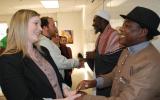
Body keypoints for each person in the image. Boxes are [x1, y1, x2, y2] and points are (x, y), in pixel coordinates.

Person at [76, 6, 160, 100]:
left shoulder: (151, 64)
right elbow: (115, 74)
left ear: (142, 32)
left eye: (127, 26)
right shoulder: (126, 51)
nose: (121, 29)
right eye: (123, 25)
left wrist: (84, 98)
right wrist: (94, 82)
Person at [0, 9, 81, 100]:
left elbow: (56, 76)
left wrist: (65, 90)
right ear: (21, 26)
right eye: (36, 23)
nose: (40, 29)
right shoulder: (8, 61)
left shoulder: (44, 51)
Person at [85, 10, 123, 96]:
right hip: (100, 77)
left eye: (95, 21)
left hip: (109, 80)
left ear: (102, 21)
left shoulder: (114, 35)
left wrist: (96, 56)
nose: (93, 24)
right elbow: (99, 53)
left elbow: (116, 58)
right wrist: (90, 56)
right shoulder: (100, 36)